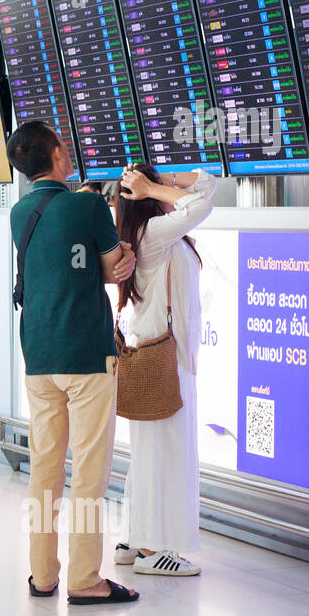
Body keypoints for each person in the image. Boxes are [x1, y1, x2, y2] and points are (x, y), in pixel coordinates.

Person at [6, 120, 138, 605]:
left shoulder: (20, 212)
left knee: (44, 469)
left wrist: (108, 259)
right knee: (88, 471)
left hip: (38, 354)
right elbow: (110, 266)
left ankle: (43, 575)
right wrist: (119, 255)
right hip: (86, 353)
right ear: (58, 154)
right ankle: (85, 579)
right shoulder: (86, 204)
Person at [113, 163, 214, 577]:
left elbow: (207, 181)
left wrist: (159, 184)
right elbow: (202, 203)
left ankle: (134, 540)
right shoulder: (151, 234)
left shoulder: (151, 232)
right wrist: (154, 186)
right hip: (164, 356)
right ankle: (154, 550)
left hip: (161, 351)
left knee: (149, 453)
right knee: (164, 453)